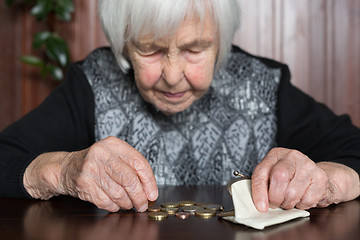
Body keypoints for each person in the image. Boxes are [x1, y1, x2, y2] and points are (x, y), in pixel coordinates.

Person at [0, 0, 359, 213]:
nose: (173, 76)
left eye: (194, 49)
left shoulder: (263, 84)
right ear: (124, 45)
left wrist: (325, 181)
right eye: (150, 49)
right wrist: (62, 171)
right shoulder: (92, 83)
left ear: (221, 41)